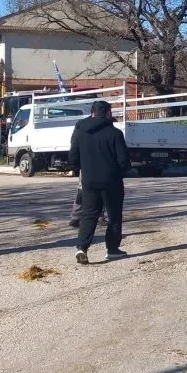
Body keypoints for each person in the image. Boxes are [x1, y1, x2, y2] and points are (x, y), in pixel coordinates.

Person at [70, 100, 131, 264]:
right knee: (114, 215)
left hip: (89, 181)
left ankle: (82, 248)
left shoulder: (81, 133)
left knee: (88, 215)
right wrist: (118, 173)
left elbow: (72, 158)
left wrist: (83, 170)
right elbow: (124, 161)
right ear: (108, 113)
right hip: (112, 182)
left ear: (92, 113)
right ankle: (112, 250)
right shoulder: (115, 134)